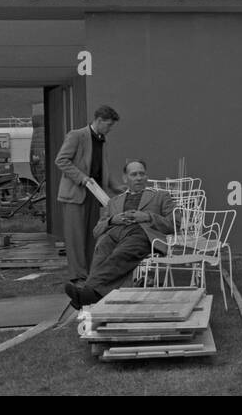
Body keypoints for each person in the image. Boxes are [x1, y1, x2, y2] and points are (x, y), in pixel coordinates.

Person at [65, 159, 174, 308]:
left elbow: (175, 224)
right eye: (134, 174)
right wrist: (112, 220)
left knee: (121, 253)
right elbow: (96, 231)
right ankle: (90, 294)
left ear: (146, 177)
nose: (139, 178)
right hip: (115, 232)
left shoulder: (161, 196)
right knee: (102, 247)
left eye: (142, 174)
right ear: (125, 178)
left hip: (142, 234)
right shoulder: (114, 202)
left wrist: (148, 217)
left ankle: (88, 293)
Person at [55, 105, 121, 282]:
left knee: (93, 235)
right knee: (75, 237)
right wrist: (82, 178)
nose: (109, 129)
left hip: (95, 195)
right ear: (99, 121)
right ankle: (78, 275)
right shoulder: (77, 135)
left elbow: (102, 168)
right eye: (108, 125)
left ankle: (91, 272)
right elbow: (61, 160)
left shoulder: (101, 139)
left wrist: (117, 188)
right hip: (76, 195)